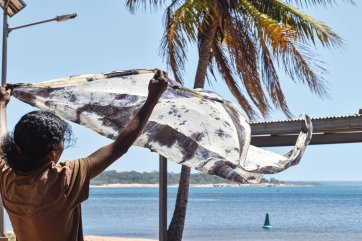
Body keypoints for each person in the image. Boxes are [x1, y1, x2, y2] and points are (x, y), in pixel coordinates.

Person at [0, 70, 168, 241]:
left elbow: (2, 141)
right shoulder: (61, 180)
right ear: (52, 154)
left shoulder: (7, 176)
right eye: (62, 144)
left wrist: (2, 106)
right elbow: (119, 147)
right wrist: (152, 99)